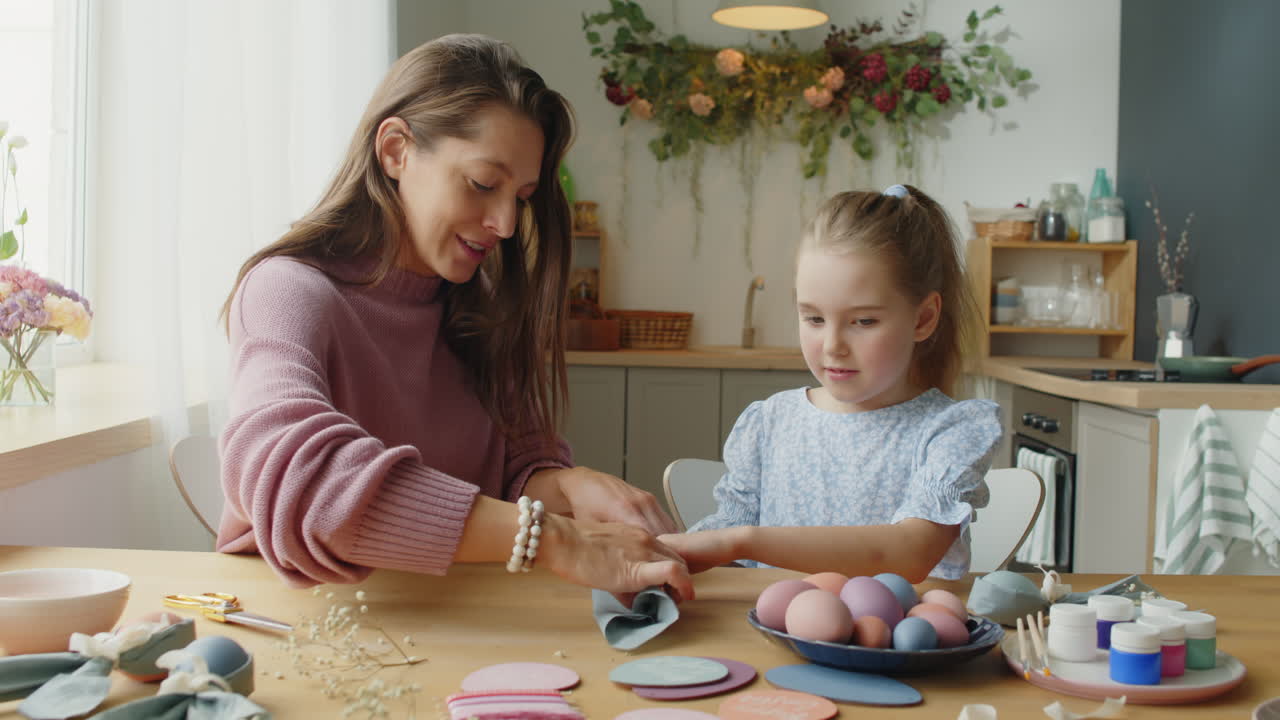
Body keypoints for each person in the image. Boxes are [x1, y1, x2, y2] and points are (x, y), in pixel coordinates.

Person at [217, 34, 692, 602]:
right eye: (483, 184)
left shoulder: (479, 301)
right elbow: (309, 485)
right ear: (395, 150)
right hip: (305, 624)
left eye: (520, 196)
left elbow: (511, 472)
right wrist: (556, 539)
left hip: (451, 616)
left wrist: (568, 486)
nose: (507, 223)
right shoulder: (287, 290)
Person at [659, 184, 1002, 583]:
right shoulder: (770, 423)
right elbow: (728, 547)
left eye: (864, 321)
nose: (833, 346)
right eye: (814, 319)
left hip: (898, 644)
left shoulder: (950, 430)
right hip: (772, 641)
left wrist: (743, 541)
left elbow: (911, 552)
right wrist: (666, 552)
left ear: (924, 318)